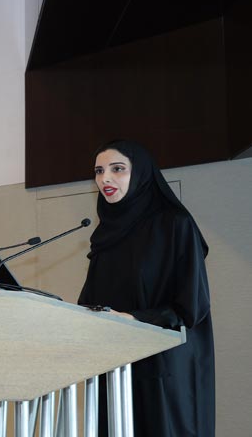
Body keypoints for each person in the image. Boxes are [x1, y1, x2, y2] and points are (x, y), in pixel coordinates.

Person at [78, 139, 214, 436]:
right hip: (114, 366)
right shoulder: (105, 235)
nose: (105, 179)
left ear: (140, 173)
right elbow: (91, 300)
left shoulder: (175, 224)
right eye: (99, 171)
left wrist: (135, 319)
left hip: (164, 368)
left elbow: (192, 306)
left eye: (117, 169)